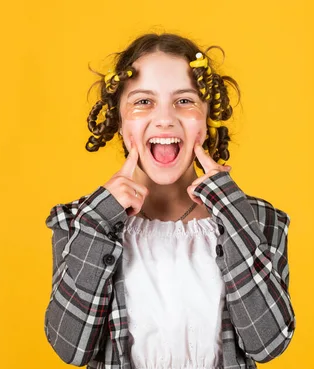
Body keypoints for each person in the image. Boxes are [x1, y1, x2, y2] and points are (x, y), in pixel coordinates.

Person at [43, 32, 295, 369]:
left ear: (206, 121)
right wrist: (99, 220)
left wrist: (231, 211)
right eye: (143, 101)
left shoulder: (259, 220)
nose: (164, 118)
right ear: (120, 122)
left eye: (185, 101)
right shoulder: (81, 221)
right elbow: (70, 348)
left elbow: (268, 342)